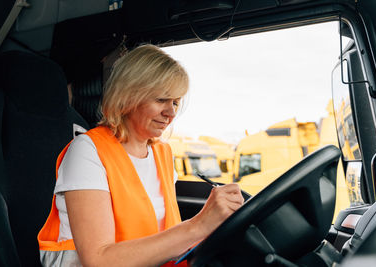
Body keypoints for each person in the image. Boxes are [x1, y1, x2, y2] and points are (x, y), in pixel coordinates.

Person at [38, 44, 244, 267]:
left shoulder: (162, 153)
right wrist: (199, 225)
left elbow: (159, 235)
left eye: (175, 102)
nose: (171, 112)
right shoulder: (87, 151)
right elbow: (99, 261)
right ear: (127, 96)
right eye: (161, 99)